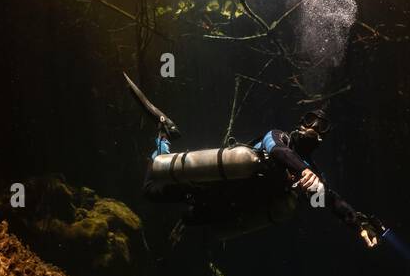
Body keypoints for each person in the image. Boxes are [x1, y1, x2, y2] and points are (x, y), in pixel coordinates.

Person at [140, 103, 384, 247]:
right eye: (310, 120)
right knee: (150, 191)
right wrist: (305, 171)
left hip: (228, 207)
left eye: (321, 126)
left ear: (323, 136)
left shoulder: (312, 172)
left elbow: (332, 200)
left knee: (193, 220)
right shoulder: (279, 137)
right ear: (300, 124)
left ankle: (185, 222)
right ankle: (164, 135)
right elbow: (278, 152)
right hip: (211, 185)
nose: (313, 127)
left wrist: (357, 223)